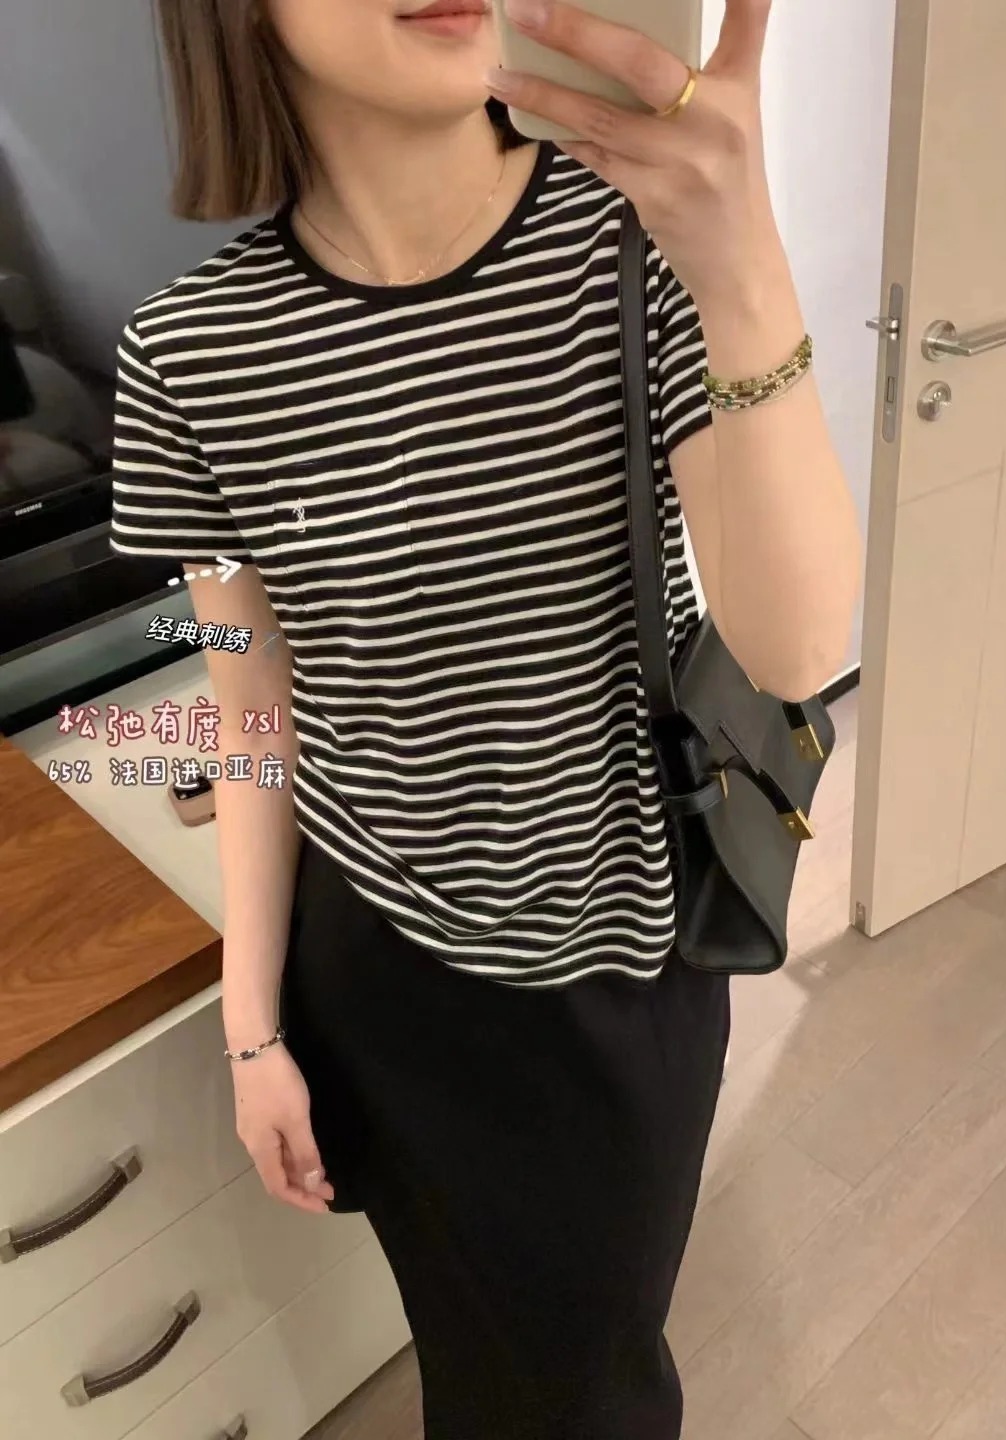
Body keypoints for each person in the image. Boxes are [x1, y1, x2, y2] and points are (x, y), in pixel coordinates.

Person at [110, 1, 862, 1435]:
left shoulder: (633, 236)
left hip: (609, 966)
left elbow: (796, 647)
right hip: (374, 973)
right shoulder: (190, 350)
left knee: (590, 1384)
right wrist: (252, 1031)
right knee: (467, 1341)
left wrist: (744, 264)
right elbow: (251, 711)